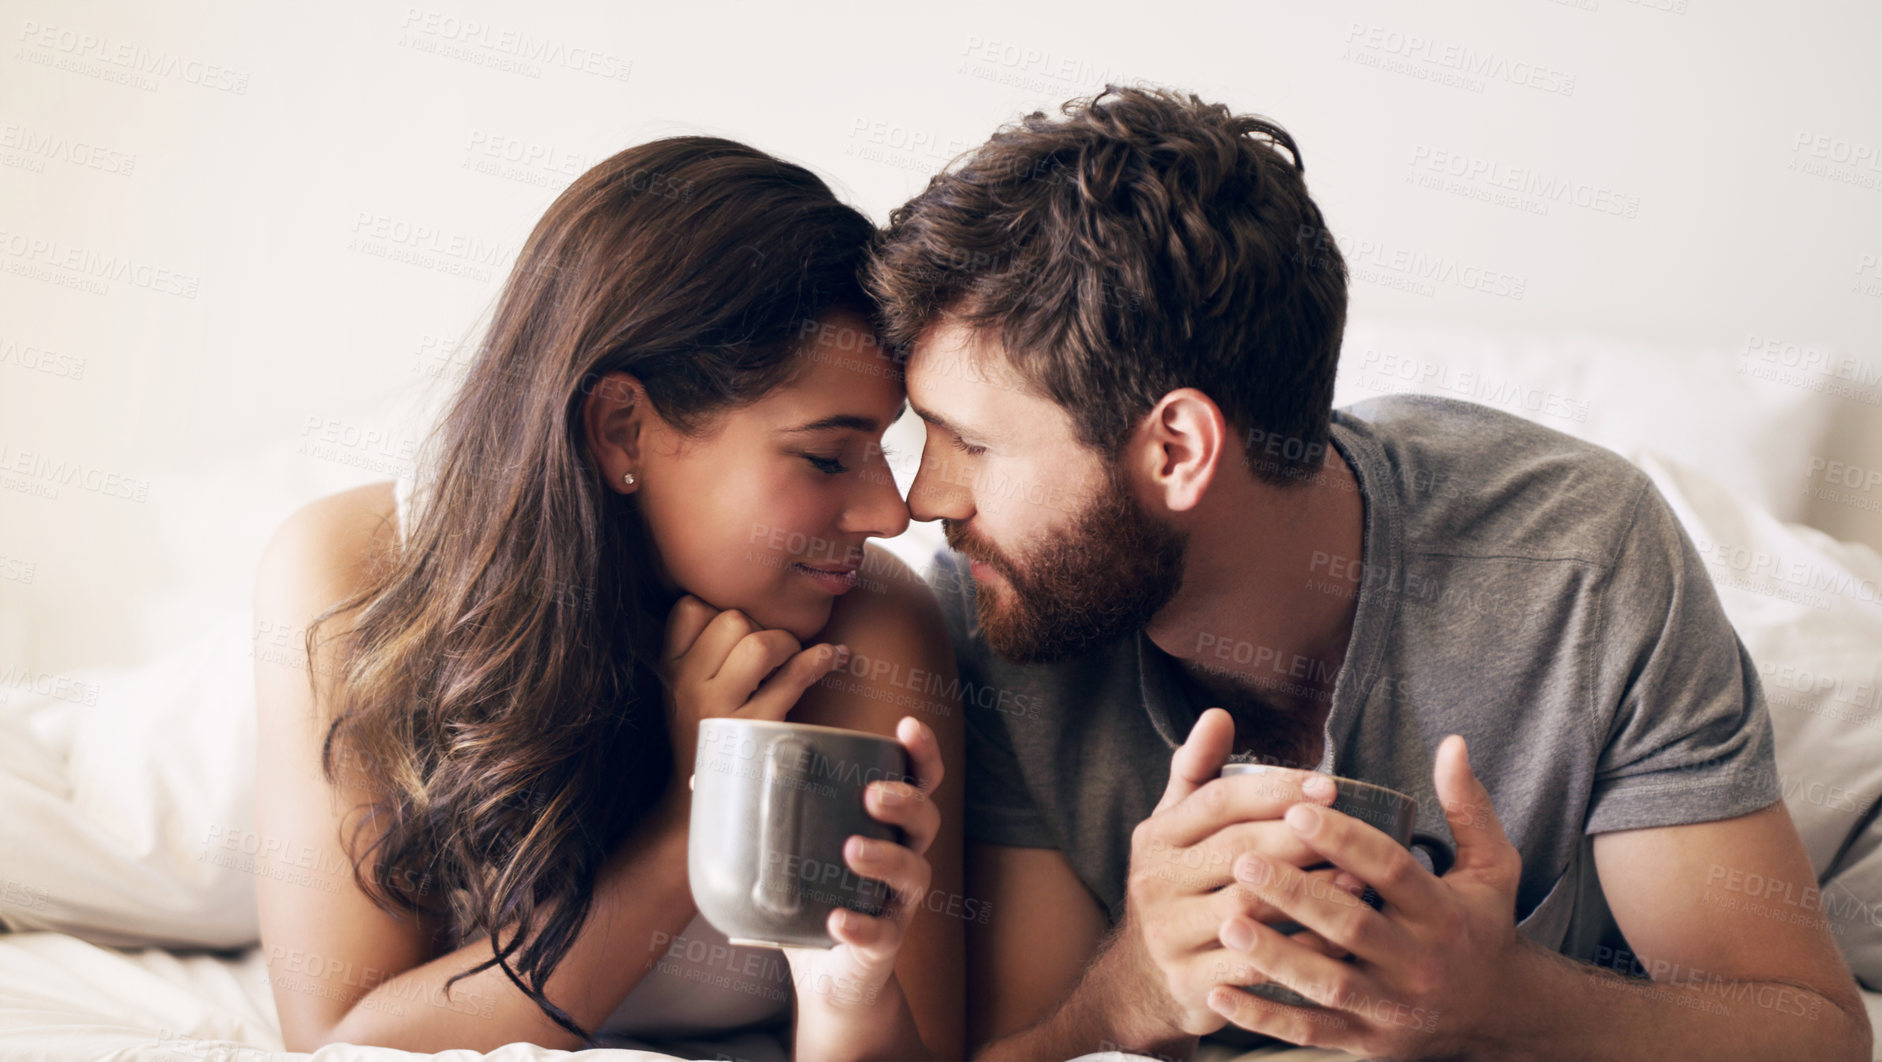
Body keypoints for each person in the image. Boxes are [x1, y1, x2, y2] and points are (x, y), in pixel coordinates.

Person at [866, 85, 1873, 1061]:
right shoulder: (998, 610)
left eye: (969, 443)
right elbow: (1010, 1050)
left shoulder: (1579, 572)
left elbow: (1810, 1033)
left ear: (1176, 449)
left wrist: (1498, 1001)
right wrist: (1124, 991)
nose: (924, 499)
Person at [250, 136, 965, 1061]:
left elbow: (917, 1047)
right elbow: (345, 1041)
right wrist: (685, 832)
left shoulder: (871, 625)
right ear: (622, 427)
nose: (889, 512)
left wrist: (845, 984)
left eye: (882, 449)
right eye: (827, 457)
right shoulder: (349, 575)